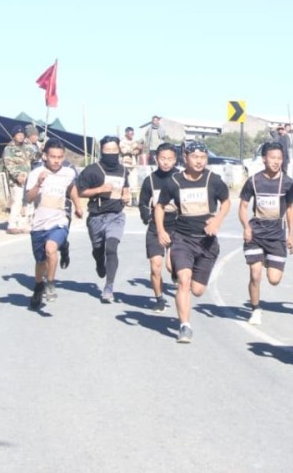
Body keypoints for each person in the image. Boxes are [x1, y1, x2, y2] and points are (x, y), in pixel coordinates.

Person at [155, 141, 231, 343]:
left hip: (207, 242)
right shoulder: (174, 182)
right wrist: (161, 230)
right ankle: (185, 326)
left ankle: (178, 272)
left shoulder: (213, 180)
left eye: (203, 157)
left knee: (197, 290)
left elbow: (226, 202)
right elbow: (160, 206)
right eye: (195, 157)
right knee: (184, 281)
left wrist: (216, 221)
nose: (199, 161)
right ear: (185, 158)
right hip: (182, 239)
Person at [238, 142, 293, 325]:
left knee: (274, 279)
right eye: (273, 157)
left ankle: (266, 258)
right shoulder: (253, 181)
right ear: (264, 159)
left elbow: (290, 208)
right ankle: (255, 309)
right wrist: (246, 227)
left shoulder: (287, 182)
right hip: (255, 233)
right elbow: (243, 206)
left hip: (276, 234)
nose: (276, 161)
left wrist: (291, 234)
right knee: (255, 275)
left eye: (279, 158)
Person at [26, 139, 84, 309]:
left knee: (51, 249)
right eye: (53, 157)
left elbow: (71, 187)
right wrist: (38, 183)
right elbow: (28, 198)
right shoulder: (36, 173)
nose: (56, 160)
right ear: (45, 156)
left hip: (59, 220)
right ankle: (38, 286)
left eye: (59, 157)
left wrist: (78, 206)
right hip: (39, 224)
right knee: (40, 262)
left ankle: (50, 284)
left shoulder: (68, 172)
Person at [77, 136, 131, 303]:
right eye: (108, 151)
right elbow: (80, 191)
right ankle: (99, 261)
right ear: (102, 151)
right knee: (98, 250)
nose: (112, 154)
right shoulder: (92, 170)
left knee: (112, 248)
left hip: (116, 215)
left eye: (115, 151)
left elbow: (126, 188)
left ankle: (109, 287)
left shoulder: (123, 170)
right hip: (96, 217)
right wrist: (100, 189)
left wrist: (126, 195)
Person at [139, 143, 179, 312]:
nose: (166, 162)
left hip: (177, 226)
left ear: (175, 160)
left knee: (171, 266)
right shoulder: (150, 180)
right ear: (156, 159)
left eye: (169, 159)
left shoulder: (180, 177)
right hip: (156, 227)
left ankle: (177, 273)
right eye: (163, 159)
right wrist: (148, 217)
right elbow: (142, 203)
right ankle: (159, 299)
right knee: (156, 266)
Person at [3, 126, 35, 234]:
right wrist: (17, 176)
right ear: (14, 136)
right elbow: (8, 164)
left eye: (22, 135)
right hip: (16, 180)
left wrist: (41, 150)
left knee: (26, 202)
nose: (21, 137)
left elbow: (35, 157)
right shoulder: (9, 148)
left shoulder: (27, 147)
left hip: (28, 179)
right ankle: (12, 225)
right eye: (18, 135)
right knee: (17, 201)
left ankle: (22, 224)